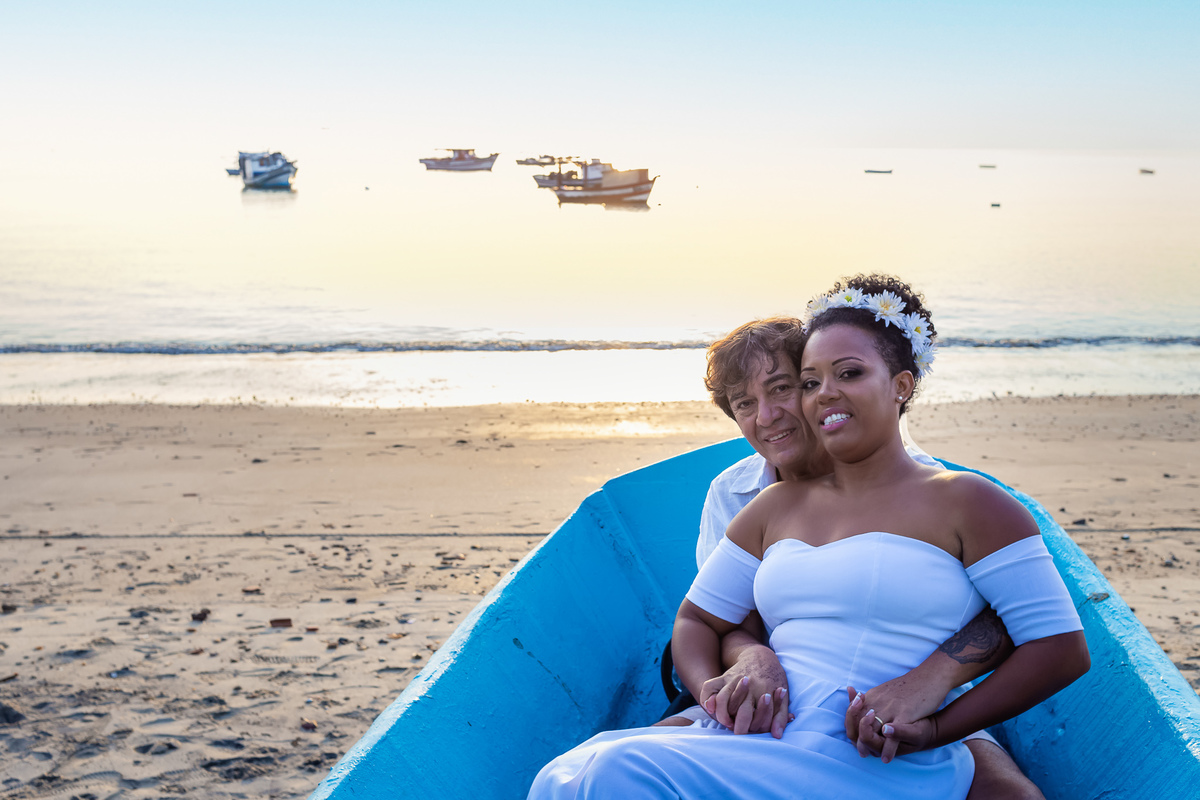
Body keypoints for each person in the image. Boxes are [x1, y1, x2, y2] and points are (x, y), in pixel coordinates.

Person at [529, 275, 1089, 799]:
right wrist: (715, 696)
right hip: (774, 716)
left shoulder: (967, 500)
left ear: (901, 385)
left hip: (880, 733)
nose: (817, 397)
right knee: (574, 774)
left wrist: (937, 718)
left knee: (613, 772)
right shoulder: (765, 505)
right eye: (812, 382)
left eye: (848, 374)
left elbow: (1051, 637)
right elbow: (701, 619)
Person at [658, 316, 1047, 799]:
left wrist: (933, 680)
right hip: (769, 686)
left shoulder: (931, 491)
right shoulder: (735, 494)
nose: (767, 416)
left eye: (782, 389)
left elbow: (1020, 613)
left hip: (909, 690)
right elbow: (723, 619)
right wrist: (750, 662)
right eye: (744, 404)